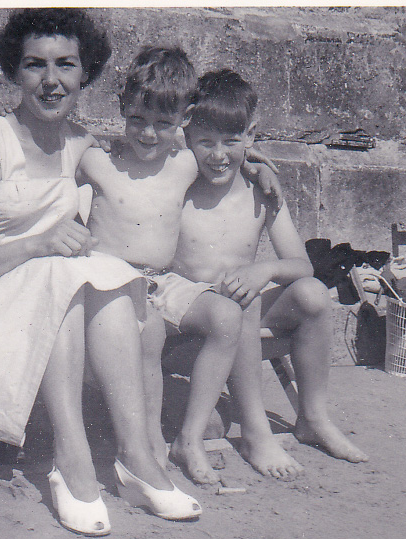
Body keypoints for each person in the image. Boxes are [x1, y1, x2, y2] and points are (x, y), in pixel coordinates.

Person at [0, 9, 201, 536]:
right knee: (65, 272)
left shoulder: (79, 145)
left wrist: (245, 162)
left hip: (40, 306)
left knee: (103, 273)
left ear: (85, 74)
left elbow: (151, 165)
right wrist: (36, 244)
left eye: (66, 66)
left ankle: (135, 456)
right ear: (15, 72)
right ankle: (72, 459)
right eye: (34, 65)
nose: (51, 80)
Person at [78, 46, 284, 474]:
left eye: (163, 123)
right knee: (150, 334)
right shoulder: (96, 160)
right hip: (112, 283)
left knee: (228, 316)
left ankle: (188, 439)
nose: (149, 134)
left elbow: (226, 156)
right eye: (138, 119)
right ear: (121, 109)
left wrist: (260, 168)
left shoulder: (186, 162)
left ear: (183, 121)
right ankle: (148, 441)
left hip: (164, 282)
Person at [165, 69, 369, 483]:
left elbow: (302, 265)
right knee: (241, 299)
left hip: (241, 315)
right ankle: (257, 431)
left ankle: (313, 417)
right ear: (187, 138)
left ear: (251, 135)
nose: (218, 155)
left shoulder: (261, 192)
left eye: (231, 141)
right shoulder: (178, 185)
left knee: (311, 293)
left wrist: (267, 268)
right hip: (190, 329)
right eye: (205, 142)